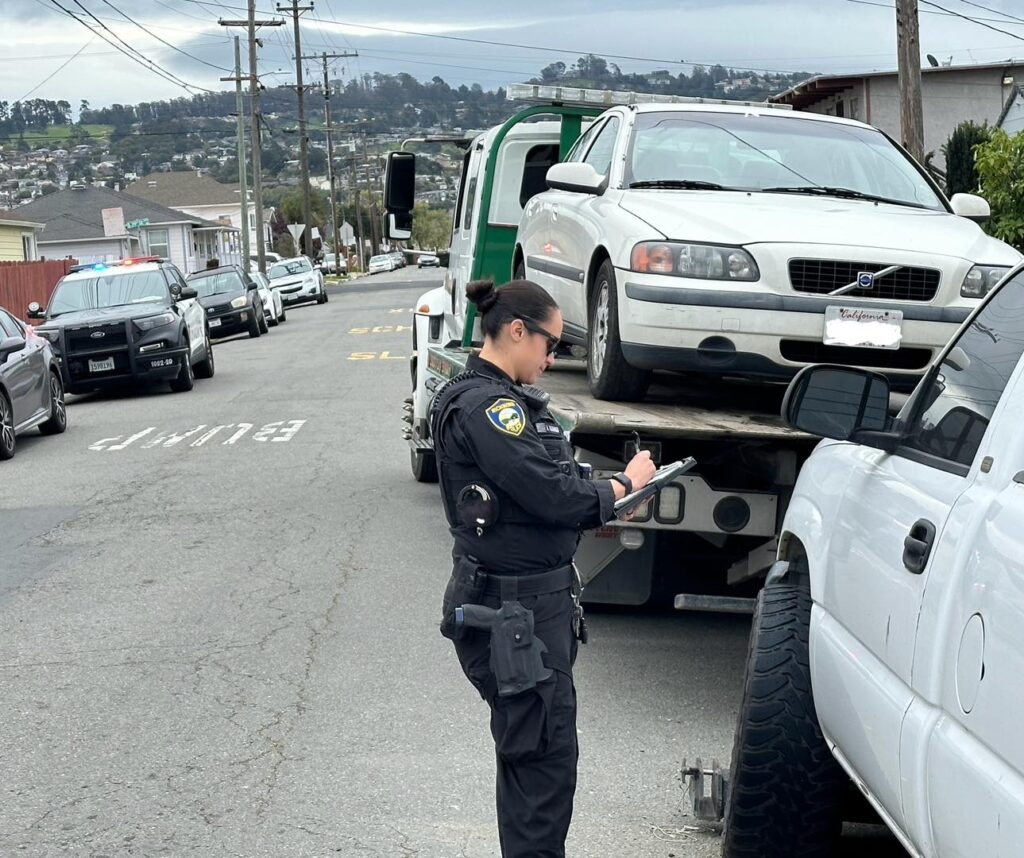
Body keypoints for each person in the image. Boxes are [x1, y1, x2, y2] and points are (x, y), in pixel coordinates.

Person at [432, 278, 656, 858]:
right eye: (550, 343)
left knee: (534, 759)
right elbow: (551, 495)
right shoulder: (489, 408)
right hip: (518, 615)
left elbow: (548, 481)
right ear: (515, 331)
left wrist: (608, 488)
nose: (553, 358)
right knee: (542, 769)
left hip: (526, 611)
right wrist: (623, 484)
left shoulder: (500, 402)